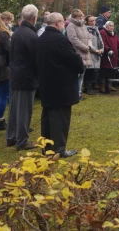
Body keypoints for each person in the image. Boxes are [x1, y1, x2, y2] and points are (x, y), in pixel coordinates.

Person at [37, 12, 85, 159]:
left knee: (47, 118)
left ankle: (47, 148)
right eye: (63, 22)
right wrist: (80, 67)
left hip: (46, 84)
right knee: (60, 119)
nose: (64, 24)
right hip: (61, 85)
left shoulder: (41, 38)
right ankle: (59, 149)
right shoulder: (60, 39)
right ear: (58, 23)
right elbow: (75, 60)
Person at [7, 4, 39, 151]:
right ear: (34, 18)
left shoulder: (17, 32)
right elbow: (35, 58)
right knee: (24, 111)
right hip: (26, 77)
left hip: (15, 74)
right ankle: (22, 140)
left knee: (14, 109)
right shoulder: (30, 35)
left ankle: (11, 137)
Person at [66, 9, 90, 98]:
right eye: (80, 16)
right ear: (76, 17)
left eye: (82, 16)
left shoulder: (83, 26)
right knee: (76, 75)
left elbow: (89, 37)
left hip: (86, 51)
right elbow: (73, 39)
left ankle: (79, 93)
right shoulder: (71, 26)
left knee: (82, 75)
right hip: (77, 52)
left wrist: (89, 46)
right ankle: (74, 93)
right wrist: (85, 47)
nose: (82, 17)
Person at [99, 21, 119, 93]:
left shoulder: (114, 34)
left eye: (113, 26)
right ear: (106, 26)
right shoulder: (103, 32)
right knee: (104, 71)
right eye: (110, 26)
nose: (112, 27)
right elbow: (103, 43)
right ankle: (102, 86)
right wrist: (108, 50)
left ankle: (110, 85)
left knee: (112, 71)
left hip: (113, 56)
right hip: (106, 56)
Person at [85, 15, 104, 94]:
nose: (93, 22)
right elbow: (87, 42)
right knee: (89, 71)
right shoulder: (86, 30)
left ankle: (92, 86)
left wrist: (101, 49)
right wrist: (94, 50)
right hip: (90, 52)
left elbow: (100, 41)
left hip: (97, 52)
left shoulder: (96, 29)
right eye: (91, 21)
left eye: (94, 20)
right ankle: (87, 87)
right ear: (87, 22)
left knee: (94, 70)